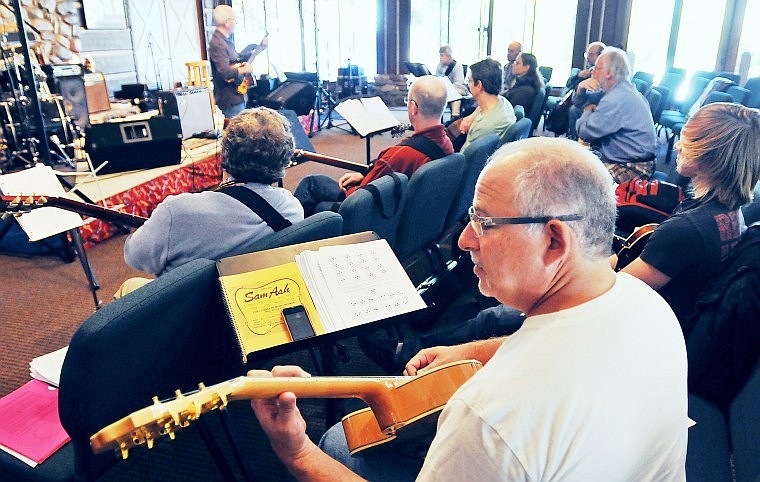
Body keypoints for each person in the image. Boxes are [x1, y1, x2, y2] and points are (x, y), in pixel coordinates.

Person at [248, 137, 688, 481]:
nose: (465, 240)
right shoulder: (646, 303)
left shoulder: (489, 417)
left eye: (484, 223)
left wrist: (296, 452)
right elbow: (564, 343)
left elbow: (504, 419)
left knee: (336, 442)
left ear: (554, 241)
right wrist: (471, 351)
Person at [618, 102, 760, 324]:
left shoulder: (686, 229)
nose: (676, 147)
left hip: (651, 325)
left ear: (709, 158)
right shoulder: (732, 212)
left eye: (687, 142)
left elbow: (618, 295)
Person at [122, 108, 303, 278]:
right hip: (251, 300)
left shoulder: (177, 211)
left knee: (129, 285)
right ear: (283, 160)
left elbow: (135, 257)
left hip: (190, 308)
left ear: (224, 154)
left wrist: (155, 228)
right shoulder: (291, 208)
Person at [294, 75, 453, 217]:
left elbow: (360, 196)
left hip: (370, 214)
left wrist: (364, 180)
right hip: (408, 210)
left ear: (413, 107)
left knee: (313, 188)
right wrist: (366, 173)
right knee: (315, 183)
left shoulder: (399, 155)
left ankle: (291, 235)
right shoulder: (446, 142)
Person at [575, 47, 657, 183]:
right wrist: (581, 89)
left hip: (633, 167)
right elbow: (579, 102)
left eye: (596, 68)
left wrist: (588, 111)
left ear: (608, 73)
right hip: (627, 158)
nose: (592, 72)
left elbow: (585, 132)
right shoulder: (620, 89)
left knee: (574, 178)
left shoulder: (617, 98)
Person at [208, 5, 268, 119]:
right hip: (229, 98)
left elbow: (238, 60)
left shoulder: (226, 41)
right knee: (236, 134)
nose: (236, 23)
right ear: (227, 22)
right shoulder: (218, 43)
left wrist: (260, 48)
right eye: (234, 20)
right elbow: (224, 72)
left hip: (237, 94)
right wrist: (245, 69)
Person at [457, 58, 516, 153]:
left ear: (479, 85)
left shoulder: (483, 126)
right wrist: (473, 115)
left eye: (470, 81)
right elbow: (481, 107)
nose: (468, 85)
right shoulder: (503, 102)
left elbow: (464, 157)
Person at [565, 41, 606, 138]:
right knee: (574, 109)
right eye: (587, 54)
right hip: (594, 107)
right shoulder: (588, 72)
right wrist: (580, 87)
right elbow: (577, 99)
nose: (587, 57)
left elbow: (598, 99)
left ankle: (577, 143)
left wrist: (590, 108)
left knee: (574, 110)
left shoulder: (605, 78)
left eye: (591, 54)